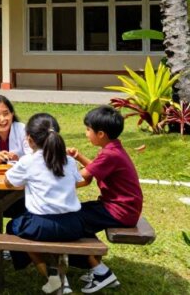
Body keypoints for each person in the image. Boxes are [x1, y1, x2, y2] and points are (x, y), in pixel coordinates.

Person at [67, 106, 143, 292]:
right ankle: (94, 265)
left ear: (100, 134)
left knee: (69, 220)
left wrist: (50, 182)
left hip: (120, 210)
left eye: (88, 129)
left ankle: (101, 271)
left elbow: (80, 178)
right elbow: (94, 170)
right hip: (121, 207)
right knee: (75, 213)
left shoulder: (109, 154)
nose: (86, 133)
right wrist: (79, 157)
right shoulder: (113, 149)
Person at [4, 113, 82, 293]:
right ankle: (60, 275)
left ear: (29, 140)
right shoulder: (69, 160)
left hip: (41, 225)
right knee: (46, 232)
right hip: (73, 225)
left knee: (13, 227)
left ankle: (50, 275)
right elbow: (76, 180)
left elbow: (9, 182)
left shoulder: (28, 161)